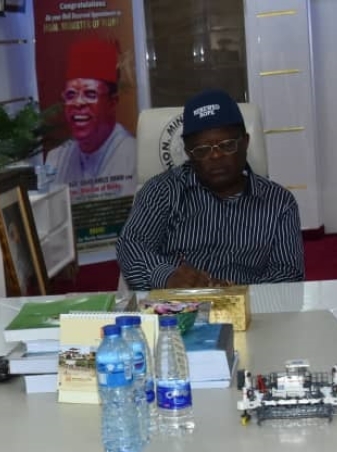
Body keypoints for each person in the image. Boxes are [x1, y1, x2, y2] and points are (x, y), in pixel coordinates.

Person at [116, 88, 305, 290]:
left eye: (226, 145)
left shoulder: (279, 202)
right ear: (189, 153)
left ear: (246, 142)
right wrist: (167, 277)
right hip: (178, 312)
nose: (216, 156)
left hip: (252, 311)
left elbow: (288, 274)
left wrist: (240, 294)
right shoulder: (163, 191)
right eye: (202, 150)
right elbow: (131, 245)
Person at [45, 37, 136, 196]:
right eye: (71, 94)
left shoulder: (135, 156)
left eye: (90, 94)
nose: (78, 103)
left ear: (112, 102)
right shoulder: (56, 159)